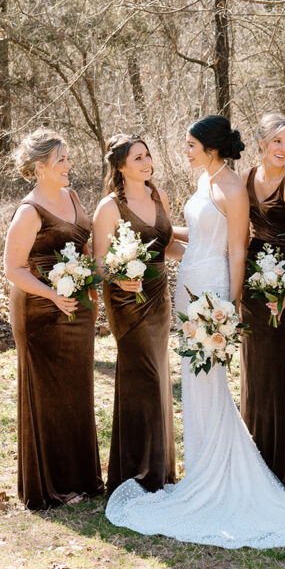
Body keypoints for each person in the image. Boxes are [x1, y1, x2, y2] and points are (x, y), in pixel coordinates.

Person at [105, 115, 285, 547]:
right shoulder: (205, 182)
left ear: (211, 149)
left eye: (191, 146)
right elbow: (196, 236)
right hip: (187, 284)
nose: (185, 152)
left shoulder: (234, 188)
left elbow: (238, 247)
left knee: (209, 381)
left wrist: (231, 302)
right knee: (194, 381)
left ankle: (219, 473)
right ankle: (202, 468)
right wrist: (146, 247)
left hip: (214, 291)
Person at [4, 129, 104, 509]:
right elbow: (13, 268)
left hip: (78, 306)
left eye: (67, 158)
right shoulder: (29, 211)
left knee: (76, 391)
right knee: (48, 395)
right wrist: (52, 294)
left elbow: (87, 244)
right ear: (39, 166)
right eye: (61, 159)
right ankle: (52, 485)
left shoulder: (72, 197)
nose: (68, 165)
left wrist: (93, 279)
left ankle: (81, 477)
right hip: (41, 309)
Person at [93, 134, 181, 495]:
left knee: (159, 377)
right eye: (138, 158)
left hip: (160, 297)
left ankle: (159, 469)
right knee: (141, 378)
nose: (147, 163)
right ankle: (137, 472)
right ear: (120, 166)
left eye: (147, 155)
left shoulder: (157, 195)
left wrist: (207, 255)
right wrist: (118, 278)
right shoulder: (110, 208)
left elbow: (168, 243)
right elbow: (99, 266)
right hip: (128, 301)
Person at [240, 113, 285, 496]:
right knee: (254, 364)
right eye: (277, 141)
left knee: (279, 362)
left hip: (283, 279)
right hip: (254, 279)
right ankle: (255, 458)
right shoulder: (247, 179)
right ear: (262, 142)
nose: (283, 149)